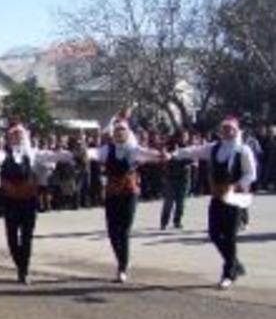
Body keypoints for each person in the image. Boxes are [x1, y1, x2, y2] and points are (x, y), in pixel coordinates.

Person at [173, 117, 257, 289]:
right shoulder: (215, 147)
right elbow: (194, 151)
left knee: (230, 236)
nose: (227, 132)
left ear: (236, 130)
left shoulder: (243, 150)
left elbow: (251, 174)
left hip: (235, 198)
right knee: (213, 233)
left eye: (230, 129)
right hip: (217, 195)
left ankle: (228, 274)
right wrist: (175, 154)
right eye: (224, 129)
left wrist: (236, 186)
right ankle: (234, 264)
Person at [0, 123, 75, 284]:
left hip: (28, 201)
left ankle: (24, 270)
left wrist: (71, 154)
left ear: (25, 137)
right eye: (14, 136)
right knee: (12, 239)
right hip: (10, 202)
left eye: (20, 135)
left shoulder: (33, 154)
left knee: (27, 237)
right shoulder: (5, 154)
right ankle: (20, 264)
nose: (17, 138)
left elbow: (52, 156)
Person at [87, 116, 166, 283]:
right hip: (112, 192)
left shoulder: (133, 149)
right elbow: (94, 153)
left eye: (122, 130)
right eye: (116, 131)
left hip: (129, 192)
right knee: (112, 231)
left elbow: (149, 154)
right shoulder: (107, 149)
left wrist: (161, 155)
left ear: (127, 132)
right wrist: (84, 152)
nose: (119, 133)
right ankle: (122, 261)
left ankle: (122, 267)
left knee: (124, 230)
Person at [161, 131, 193, 230]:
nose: (185, 138)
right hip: (171, 178)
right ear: (178, 137)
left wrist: (180, 158)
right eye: (183, 136)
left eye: (186, 136)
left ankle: (177, 221)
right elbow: (166, 157)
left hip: (184, 178)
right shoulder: (170, 146)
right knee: (168, 202)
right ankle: (164, 222)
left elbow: (191, 160)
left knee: (181, 202)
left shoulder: (188, 148)